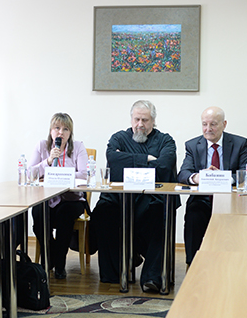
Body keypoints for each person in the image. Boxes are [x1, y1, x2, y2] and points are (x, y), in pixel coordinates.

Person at [90, 100, 179, 292]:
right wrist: (146, 159)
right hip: (121, 198)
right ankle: (115, 272)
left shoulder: (165, 140)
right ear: (131, 119)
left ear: (153, 121)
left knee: (160, 214)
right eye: (137, 119)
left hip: (153, 198)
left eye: (145, 120)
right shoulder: (119, 138)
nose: (140, 124)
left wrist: (127, 160)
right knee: (103, 212)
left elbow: (164, 166)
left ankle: (152, 278)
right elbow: (113, 160)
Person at [177, 106, 247, 265]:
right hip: (202, 199)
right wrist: (198, 177)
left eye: (213, 124)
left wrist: (222, 178)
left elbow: (245, 173)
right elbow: (183, 173)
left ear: (224, 124)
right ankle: (193, 263)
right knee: (194, 215)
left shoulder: (239, 143)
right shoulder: (192, 145)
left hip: (230, 200)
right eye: (204, 124)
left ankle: (230, 264)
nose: (208, 129)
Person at [27, 112, 88, 279]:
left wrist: (61, 174)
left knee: (64, 214)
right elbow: (29, 174)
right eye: (57, 128)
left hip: (71, 199)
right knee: (38, 213)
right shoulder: (42, 146)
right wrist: (47, 162)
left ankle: (59, 264)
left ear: (70, 133)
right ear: (51, 130)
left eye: (65, 129)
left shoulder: (78, 147)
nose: (60, 132)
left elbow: (83, 174)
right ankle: (51, 256)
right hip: (46, 198)